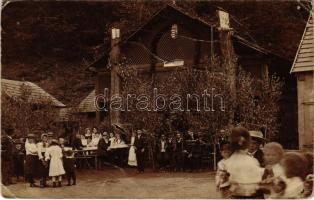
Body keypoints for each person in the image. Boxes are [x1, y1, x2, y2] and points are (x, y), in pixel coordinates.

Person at [224, 126, 265, 198]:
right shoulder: (239, 155)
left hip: (256, 191)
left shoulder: (263, 157)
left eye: (255, 143)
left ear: (259, 145)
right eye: (250, 143)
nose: (252, 146)